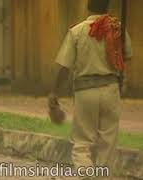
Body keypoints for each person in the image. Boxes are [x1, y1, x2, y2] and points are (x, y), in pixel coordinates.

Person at [48, 0, 132, 174]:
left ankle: (84, 173)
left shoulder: (77, 31)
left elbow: (65, 66)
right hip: (111, 89)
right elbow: (127, 56)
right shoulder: (117, 29)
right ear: (107, 7)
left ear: (88, 6)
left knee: (81, 142)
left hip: (85, 91)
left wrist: (55, 91)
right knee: (107, 143)